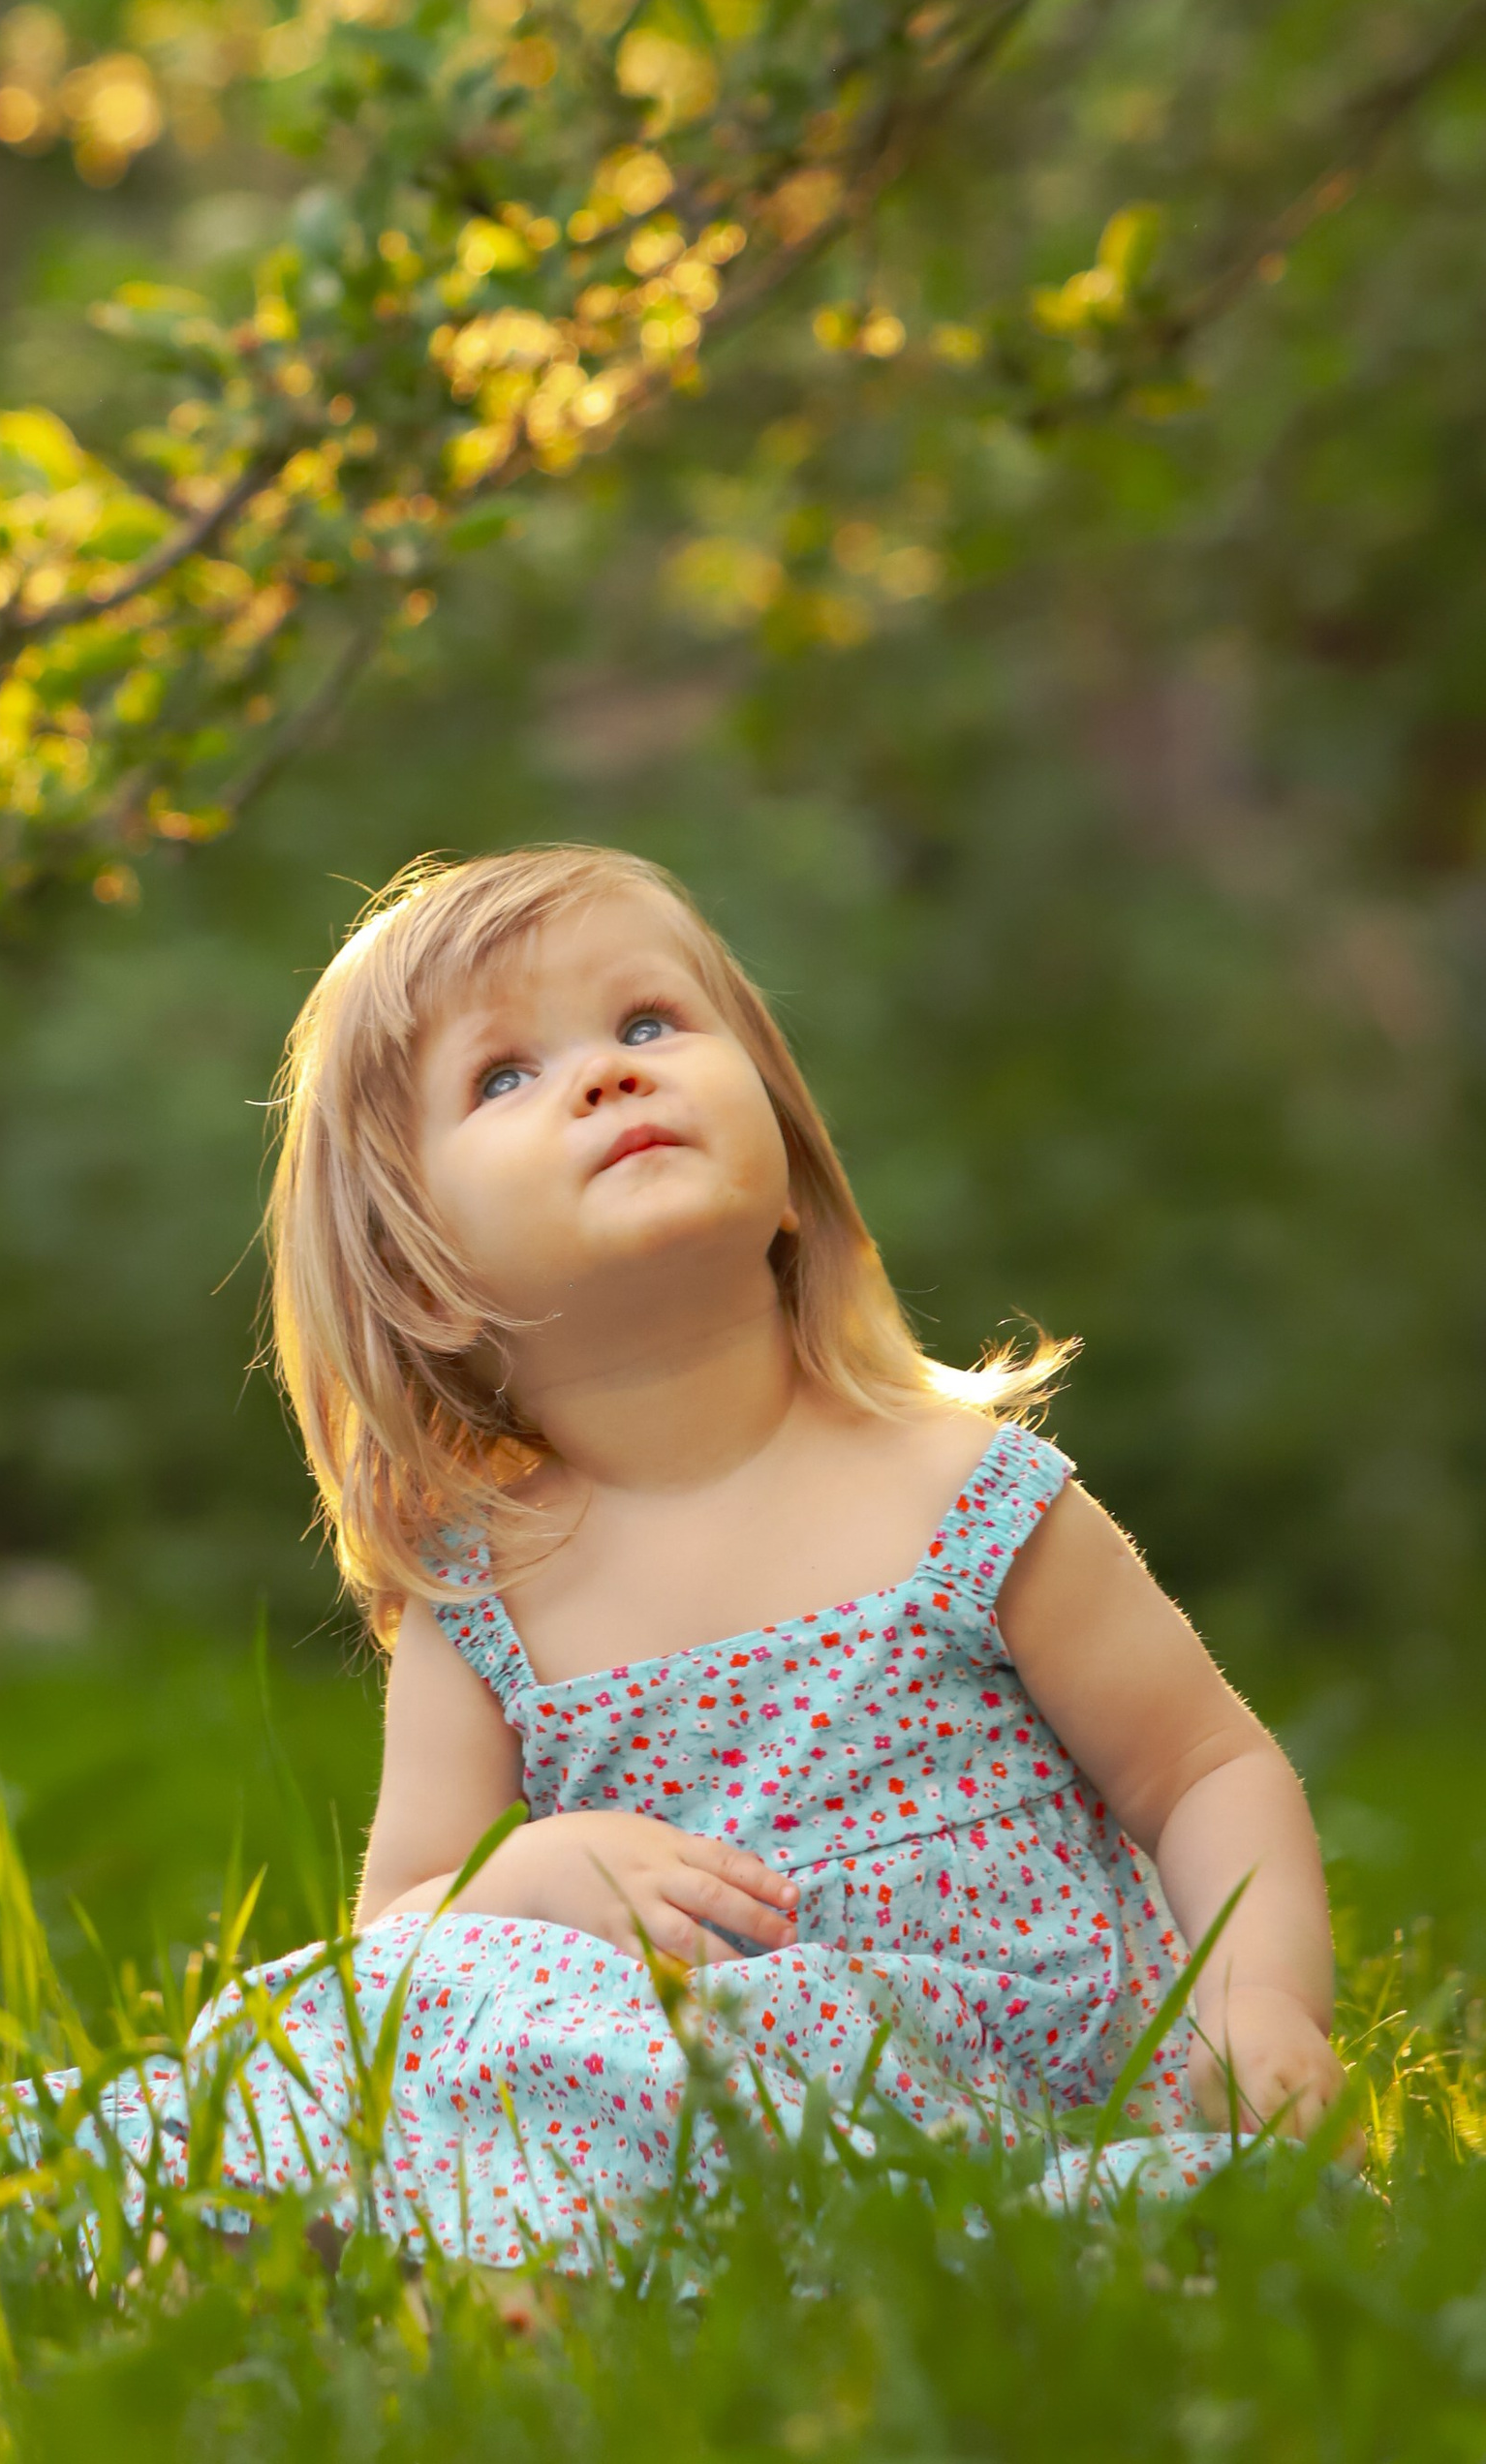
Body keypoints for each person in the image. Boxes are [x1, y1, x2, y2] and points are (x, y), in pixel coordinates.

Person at [138, 841, 1344, 2270]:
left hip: (991, 2084)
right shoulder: (488, 1589)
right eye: (503, 1076)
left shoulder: (964, 1495)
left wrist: (1262, 2004)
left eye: (648, 1024)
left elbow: (1203, 1769)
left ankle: (590, 2242)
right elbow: (408, 1926)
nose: (606, 1074)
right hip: (671, 2080)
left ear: (786, 1168)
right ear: (421, 1275)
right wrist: (530, 1875)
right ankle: (439, 2239)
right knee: (314, 2038)